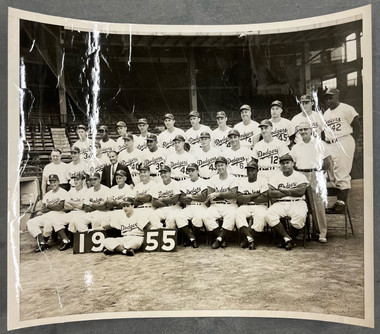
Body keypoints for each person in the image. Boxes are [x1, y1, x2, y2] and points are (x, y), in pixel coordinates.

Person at [291, 121, 331, 243]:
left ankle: (321, 233)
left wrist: (317, 173)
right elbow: (293, 163)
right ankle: (306, 233)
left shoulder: (320, 144)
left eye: (305, 129)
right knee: (303, 204)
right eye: (300, 130)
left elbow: (327, 162)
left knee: (318, 205)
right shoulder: (296, 147)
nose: (303, 132)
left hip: (316, 174)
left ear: (311, 130)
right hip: (301, 175)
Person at [323, 88, 360, 213]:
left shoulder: (346, 108)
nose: (328, 100)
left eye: (331, 97)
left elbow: (356, 125)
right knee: (332, 173)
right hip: (330, 143)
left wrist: (352, 141)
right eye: (326, 98)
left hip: (343, 141)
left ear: (337, 96)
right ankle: (339, 201)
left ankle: (341, 203)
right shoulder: (326, 113)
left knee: (342, 173)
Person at [264, 154, 309, 250]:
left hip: (297, 202)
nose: (285, 165)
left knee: (300, 215)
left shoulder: (300, 176)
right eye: (283, 163)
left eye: (287, 163)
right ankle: (287, 239)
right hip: (280, 203)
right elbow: (271, 193)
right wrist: (290, 192)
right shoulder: (275, 177)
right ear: (280, 166)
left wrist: (283, 190)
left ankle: (288, 238)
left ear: (292, 163)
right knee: (269, 214)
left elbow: (300, 192)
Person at [203, 156, 238, 249]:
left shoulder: (233, 178)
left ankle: (218, 239)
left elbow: (233, 194)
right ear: (216, 167)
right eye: (218, 165)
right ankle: (222, 238)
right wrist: (225, 195)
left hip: (230, 205)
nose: (220, 167)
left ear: (226, 166)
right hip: (216, 205)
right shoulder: (213, 179)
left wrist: (218, 194)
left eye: (222, 165)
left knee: (231, 216)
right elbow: (210, 196)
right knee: (206, 217)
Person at [26, 174, 68, 252]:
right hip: (48, 214)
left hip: (60, 214)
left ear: (58, 182)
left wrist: (48, 205)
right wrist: (53, 206)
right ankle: (42, 243)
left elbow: (60, 207)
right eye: (51, 182)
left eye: (54, 182)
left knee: (49, 222)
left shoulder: (63, 192)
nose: (53, 184)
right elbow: (43, 209)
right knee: (30, 222)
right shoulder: (47, 194)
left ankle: (65, 241)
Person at [235, 160, 268, 250]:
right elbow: (239, 198)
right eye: (248, 170)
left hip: (260, 206)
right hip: (245, 205)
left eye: (252, 170)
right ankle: (251, 239)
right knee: (238, 213)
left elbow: (265, 198)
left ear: (257, 170)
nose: (250, 172)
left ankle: (247, 239)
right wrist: (254, 195)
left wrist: (247, 197)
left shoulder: (263, 181)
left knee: (261, 216)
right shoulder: (242, 181)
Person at [175, 163, 208, 248]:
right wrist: (195, 197)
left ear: (197, 171)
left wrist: (190, 196)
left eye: (192, 170)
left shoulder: (203, 182)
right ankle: (192, 238)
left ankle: (191, 238)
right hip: (189, 206)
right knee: (179, 216)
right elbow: (181, 198)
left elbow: (203, 197)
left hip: (201, 206)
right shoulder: (184, 183)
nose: (190, 173)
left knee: (198, 217)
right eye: (189, 171)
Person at [53, 172, 88, 251]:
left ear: (82, 180)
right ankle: (66, 240)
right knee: (56, 220)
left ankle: (69, 242)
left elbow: (83, 206)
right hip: (72, 212)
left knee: (74, 220)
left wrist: (71, 203)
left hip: (82, 212)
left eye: (78, 179)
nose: (75, 181)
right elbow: (65, 205)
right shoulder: (71, 191)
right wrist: (76, 204)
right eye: (74, 179)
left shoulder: (86, 191)